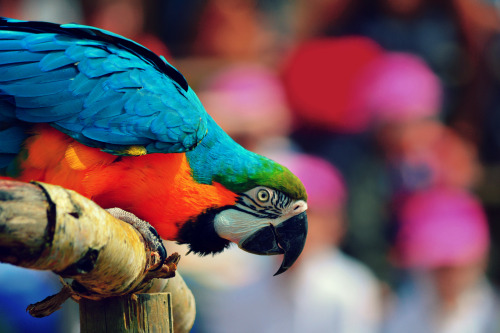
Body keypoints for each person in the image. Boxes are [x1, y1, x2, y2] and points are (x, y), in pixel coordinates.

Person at [383, 187, 500, 333]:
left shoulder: (492, 316)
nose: (446, 277)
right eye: (437, 267)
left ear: (481, 260)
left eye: (453, 266)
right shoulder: (400, 311)